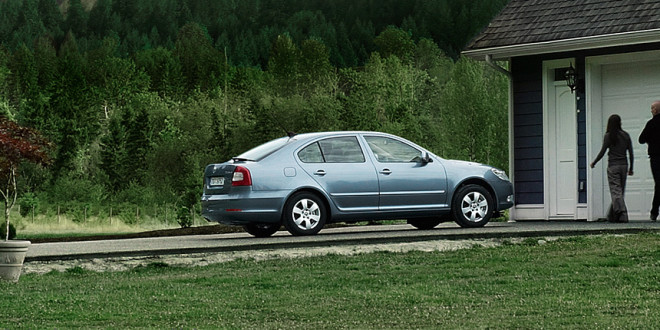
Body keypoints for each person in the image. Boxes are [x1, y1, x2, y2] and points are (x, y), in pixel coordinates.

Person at [590, 114, 634, 222]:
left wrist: (594, 162)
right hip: (624, 165)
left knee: (615, 191)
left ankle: (622, 214)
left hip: (613, 166)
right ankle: (612, 216)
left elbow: (603, 151)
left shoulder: (609, 136)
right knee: (619, 191)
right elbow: (631, 153)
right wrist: (631, 167)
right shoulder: (625, 135)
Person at [639, 100, 660, 221]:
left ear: (656, 110)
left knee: (658, 183)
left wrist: (650, 141)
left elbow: (641, 139)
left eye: (652, 108)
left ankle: (654, 211)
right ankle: (654, 211)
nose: (651, 110)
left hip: (656, 157)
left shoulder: (651, 124)